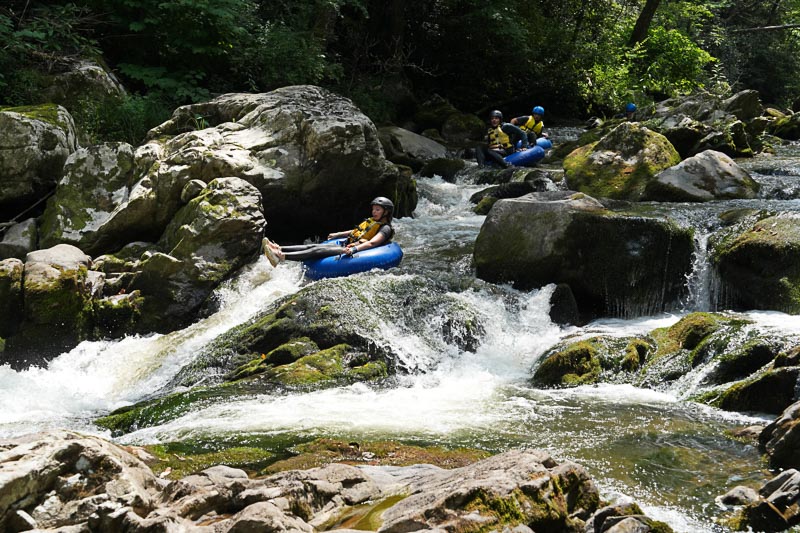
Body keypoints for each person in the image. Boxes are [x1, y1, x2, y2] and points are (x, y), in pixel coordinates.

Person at [262, 197, 395, 267]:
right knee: (313, 246)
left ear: (386, 212)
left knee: (317, 252)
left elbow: (372, 243)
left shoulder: (385, 228)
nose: (374, 212)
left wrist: (355, 249)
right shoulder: (372, 221)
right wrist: (338, 234)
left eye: (378, 210)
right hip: (348, 245)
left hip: (358, 251)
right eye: (374, 209)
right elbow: (356, 232)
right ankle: (279, 248)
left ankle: (281, 256)